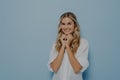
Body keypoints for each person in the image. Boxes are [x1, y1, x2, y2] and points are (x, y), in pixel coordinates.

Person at [48, 12, 89, 80]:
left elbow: (77, 69)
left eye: (69, 23)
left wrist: (67, 45)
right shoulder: (56, 44)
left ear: (75, 25)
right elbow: (54, 68)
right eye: (63, 24)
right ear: (60, 26)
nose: (66, 27)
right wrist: (63, 45)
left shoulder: (83, 43)